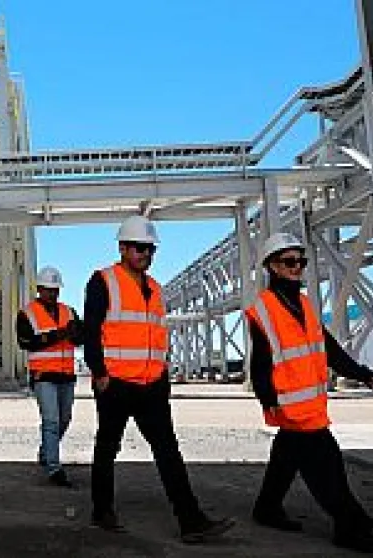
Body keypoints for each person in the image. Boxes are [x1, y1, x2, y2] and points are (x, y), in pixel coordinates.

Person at [84, 215, 235, 543]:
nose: (146, 254)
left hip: (152, 385)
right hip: (117, 384)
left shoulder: (154, 288)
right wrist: (99, 373)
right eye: (139, 248)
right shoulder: (103, 280)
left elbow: (154, 336)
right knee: (108, 447)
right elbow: (92, 330)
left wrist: (163, 375)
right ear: (123, 248)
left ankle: (191, 520)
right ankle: (102, 509)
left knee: (168, 451)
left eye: (150, 249)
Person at [246, 233, 373, 554]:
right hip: (290, 407)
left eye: (301, 262)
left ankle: (267, 508)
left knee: (286, 458)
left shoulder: (306, 305)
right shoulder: (265, 310)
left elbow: (330, 350)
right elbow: (260, 364)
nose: (297, 267)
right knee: (326, 467)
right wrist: (269, 401)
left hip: (309, 404)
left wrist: (361, 374)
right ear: (272, 266)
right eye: (289, 261)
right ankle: (349, 526)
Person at [16, 265, 84, 487]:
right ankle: (54, 468)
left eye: (55, 290)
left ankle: (46, 452)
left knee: (64, 419)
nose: (53, 294)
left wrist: (77, 333)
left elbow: (80, 339)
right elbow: (26, 342)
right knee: (52, 420)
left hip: (66, 376)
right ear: (39, 289)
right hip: (44, 376)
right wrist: (58, 334)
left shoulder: (69, 311)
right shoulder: (26, 314)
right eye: (48, 289)